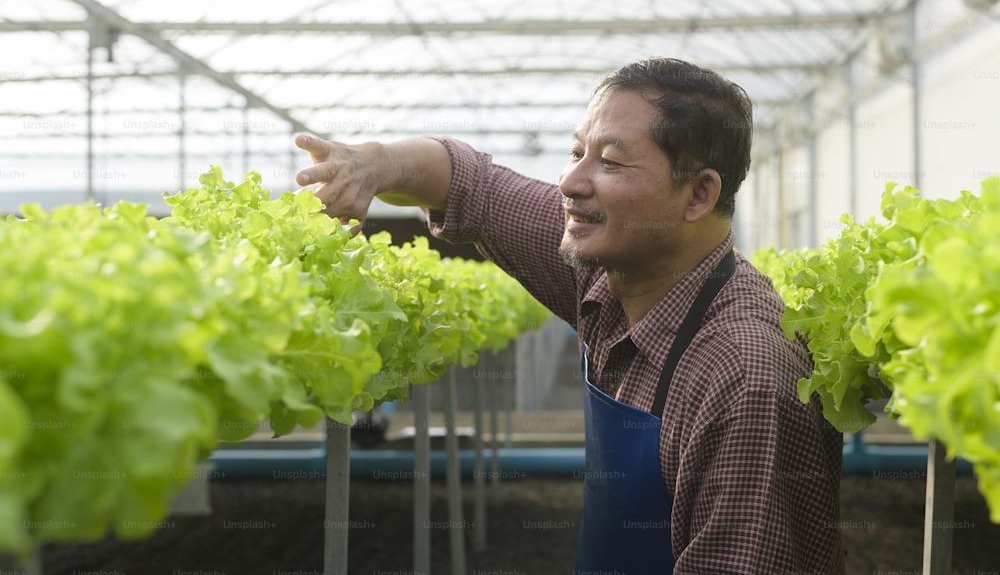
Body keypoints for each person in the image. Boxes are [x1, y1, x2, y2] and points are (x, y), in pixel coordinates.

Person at [294, 57, 845, 574]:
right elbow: (468, 182)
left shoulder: (741, 376)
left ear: (699, 194)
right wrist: (373, 163)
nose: (571, 182)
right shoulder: (609, 269)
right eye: (576, 152)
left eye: (610, 162)